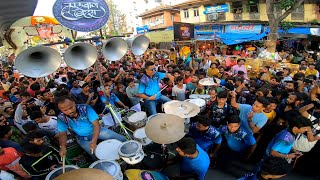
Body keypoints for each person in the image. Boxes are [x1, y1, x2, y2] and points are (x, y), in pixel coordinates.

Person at [56, 96, 126, 158]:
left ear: (74, 103)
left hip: (97, 131)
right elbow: (62, 133)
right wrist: (63, 147)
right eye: (65, 110)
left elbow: (96, 124)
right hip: (82, 137)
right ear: (61, 110)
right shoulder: (61, 118)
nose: (70, 111)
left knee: (122, 139)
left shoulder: (85, 108)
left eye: (71, 107)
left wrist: (94, 141)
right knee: (94, 155)